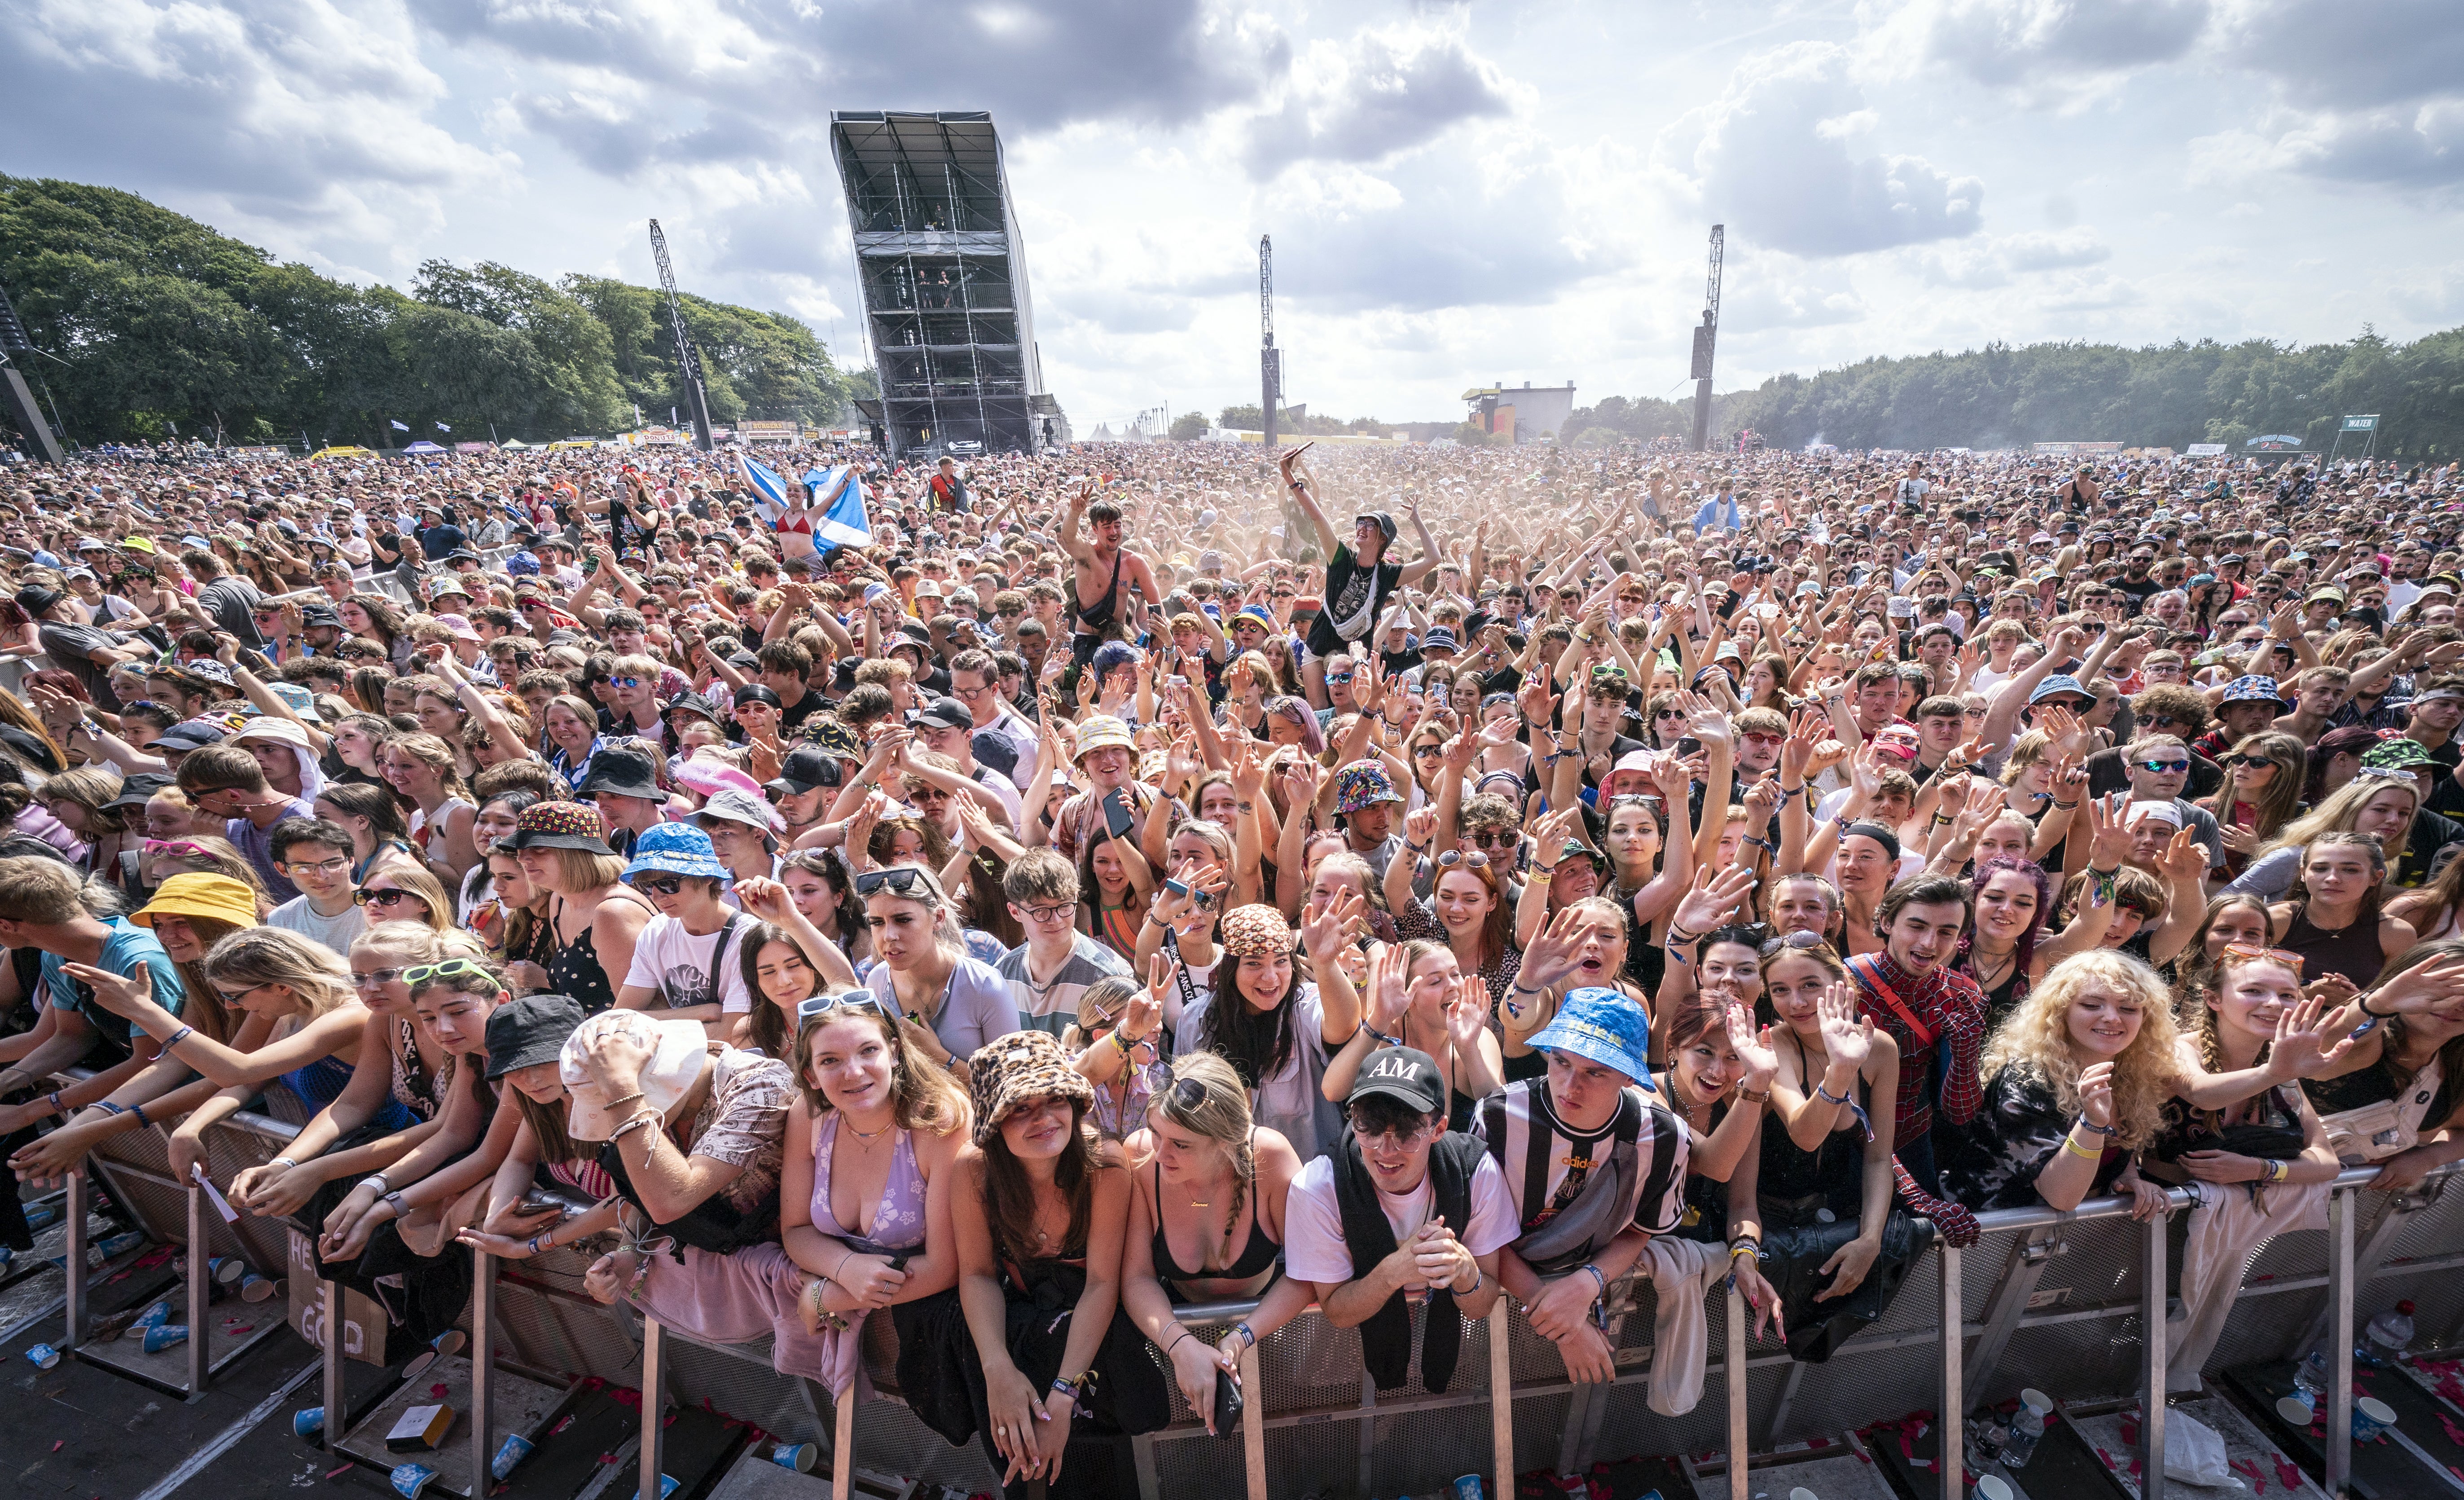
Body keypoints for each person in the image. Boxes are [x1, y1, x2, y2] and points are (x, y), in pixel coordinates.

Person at [918, 1029, 1169, 1495]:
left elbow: (1101, 1283)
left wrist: (1063, 1394)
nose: (1043, 1118)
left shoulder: (1104, 1164)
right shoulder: (972, 1169)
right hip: (1016, 1332)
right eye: (1020, 1107)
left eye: (1055, 1098)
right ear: (994, 1123)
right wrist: (997, 1371)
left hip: (1094, 1343)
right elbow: (975, 1273)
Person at [1476, 986, 1687, 1385]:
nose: (1570, 1085)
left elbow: (1642, 1228)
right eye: (1560, 1061)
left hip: (1597, 1284)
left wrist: (1586, 1282)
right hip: (1501, 1290)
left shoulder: (1665, 1135)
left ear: (1628, 1075)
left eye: (1595, 1071)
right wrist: (1565, 1324)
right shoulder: (1498, 1115)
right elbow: (1482, 1236)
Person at [776, 985, 969, 1396]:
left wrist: (827, 1296)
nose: (854, 1072)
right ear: (810, 1074)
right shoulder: (808, 1116)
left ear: (894, 1052)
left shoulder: (940, 1122)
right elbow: (794, 1230)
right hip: (867, 1327)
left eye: (868, 1051)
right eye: (831, 1060)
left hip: (928, 1337)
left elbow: (946, 1266)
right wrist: (845, 1268)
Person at [1119, 1049, 1305, 1431]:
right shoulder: (1139, 1156)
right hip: (1171, 1328)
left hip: (1266, 1324)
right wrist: (1180, 1345)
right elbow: (1136, 1277)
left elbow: (1307, 1272)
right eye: (1156, 1132)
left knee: (1276, 1433)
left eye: (1181, 1144)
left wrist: (1240, 1337)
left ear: (1225, 1141)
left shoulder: (1269, 1156)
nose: (1161, 1152)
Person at [1943, 951, 2181, 1213]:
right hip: (1988, 1240)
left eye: (2128, 1008)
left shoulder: (2132, 1075)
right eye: (2092, 1005)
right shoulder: (2024, 1080)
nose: (2113, 1018)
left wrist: (2129, 1178)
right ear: (2060, 1013)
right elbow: (2062, 1197)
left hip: (2065, 1241)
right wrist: (2091, 1124)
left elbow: (2113, 1147)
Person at [1175, 898, 1363, 1161]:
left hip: (1307, 1183)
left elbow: (1344, 1027)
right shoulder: (1196, 1020)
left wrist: (1324, 964)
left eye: (1280, 962)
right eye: (1254, 963)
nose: (1271, 977)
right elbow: (1182, 1104)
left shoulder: (1304, 1004)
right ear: (1232, 968)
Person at [859, 863, 1019, 1083]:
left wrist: (939, 1056)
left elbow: (1011, 1083)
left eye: (903, 920)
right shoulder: (877, 981)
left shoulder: (984, 985)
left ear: (938, 918)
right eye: (877, 923)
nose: (888, 936)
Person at [504, 801, 653, 1016]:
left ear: (576, 852)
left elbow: (634, 1014)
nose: (522, 858)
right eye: (520, 849)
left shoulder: (614, 913)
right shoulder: (559, 900)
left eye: (538, 848)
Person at [615, 824, 756, 1030]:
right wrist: (705, 1012)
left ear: (708, 877)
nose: (657, 896)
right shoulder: (656, 931)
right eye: (646, 885)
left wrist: (651, 1023)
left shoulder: (748, 937)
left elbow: (731, 1033)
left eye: (668, 883)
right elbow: (619, 1019)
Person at [267, 816, 367, 950]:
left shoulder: (383, 905)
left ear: (351, 861)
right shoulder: (281, 920)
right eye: (304, 867)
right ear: (282, 869)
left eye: (333, 864)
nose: (321, 876)